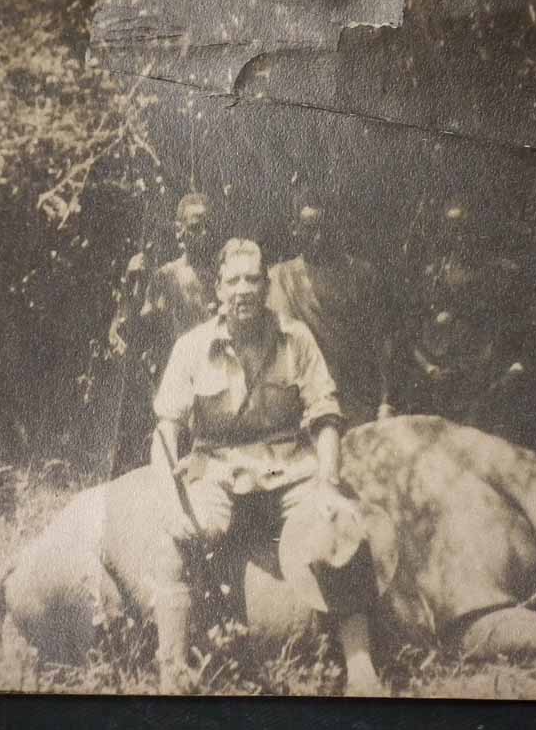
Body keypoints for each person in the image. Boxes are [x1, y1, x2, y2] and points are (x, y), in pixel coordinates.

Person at [149, 238, 384, 695]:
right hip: (216, 472)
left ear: (266, 284)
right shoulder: (192, 347)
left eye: (253, 279)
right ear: (217, 288)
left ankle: (361, 669)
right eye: (233, 280)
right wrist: (170, 500)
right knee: (177, 541)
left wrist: (330, 484)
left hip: (289, 471)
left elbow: (325, 413)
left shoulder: (295, 339)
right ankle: (172, 673)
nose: (243, 290)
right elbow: (165, 431)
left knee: (341, 526)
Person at [108, 192, 218, 475]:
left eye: (208, 226)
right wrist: (132, 281)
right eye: (195, 227)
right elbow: (135, 332)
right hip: (181, 385)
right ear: (180, 231)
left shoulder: (224, 274)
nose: (203, 235)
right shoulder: (166, 277)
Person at [267, 203, 397, 426]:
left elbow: (380, 340)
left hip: (355, 399)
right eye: (309, 228)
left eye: (324, 228)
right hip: (303, 403)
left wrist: (385, 401)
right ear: (294, 227)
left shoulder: (360, 274)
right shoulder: (279, 277)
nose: (318, 237)